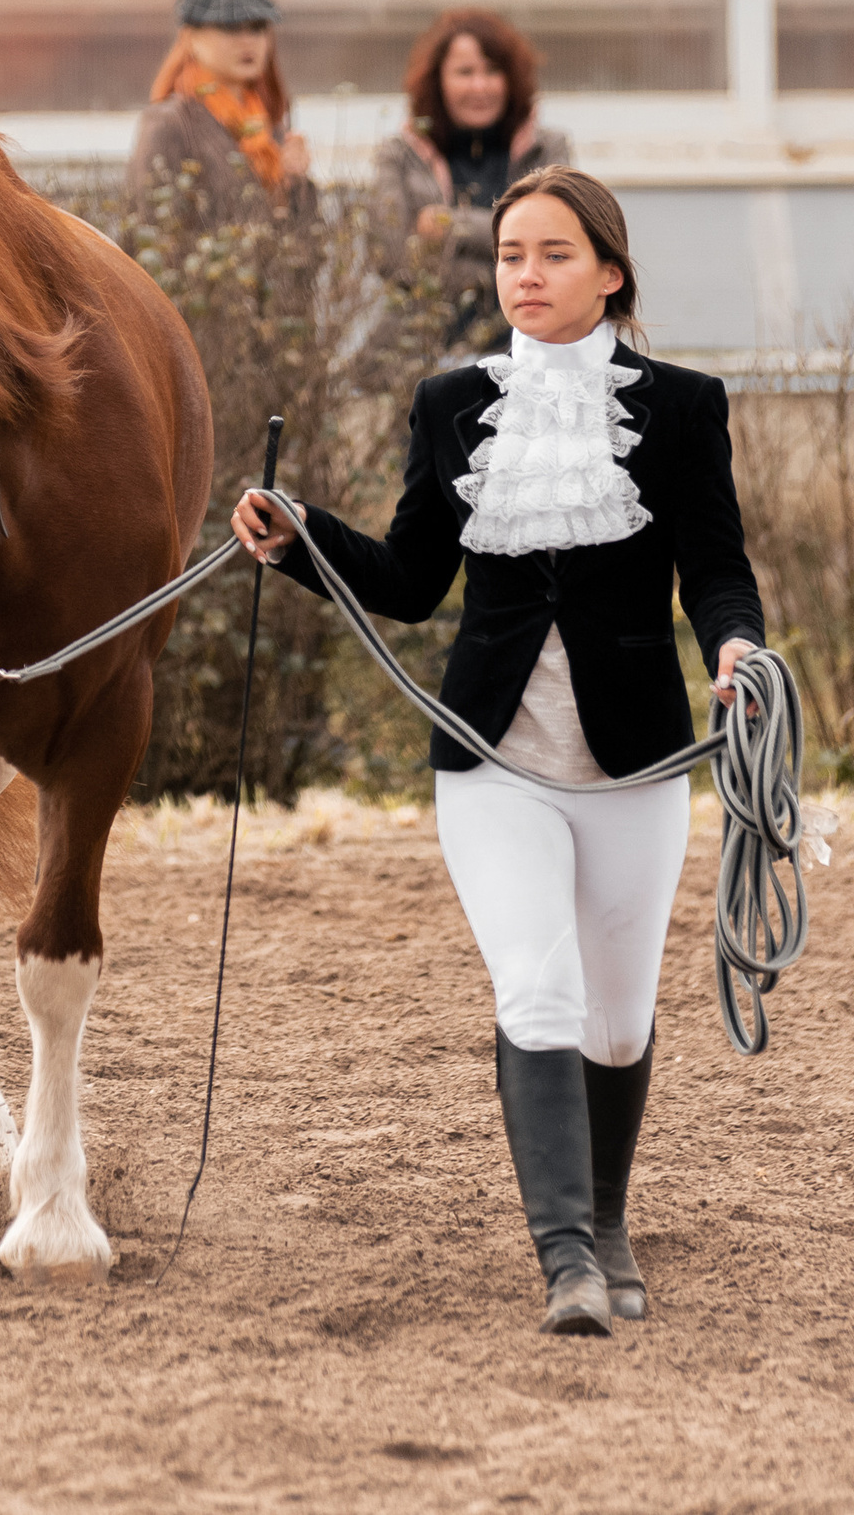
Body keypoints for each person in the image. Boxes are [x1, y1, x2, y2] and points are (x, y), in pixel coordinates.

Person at [229, 166, 765, 1337]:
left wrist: (733, 648)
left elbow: (716, 570)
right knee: (538, 984)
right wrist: (300, 535)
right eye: (511, 252)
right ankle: (567, 1257)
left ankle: (610, 1222)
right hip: (491, 756)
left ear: (611, 273)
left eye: (554, 253)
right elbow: (413, 582)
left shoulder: (683, 405)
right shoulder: (449, 401)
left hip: (634, 760)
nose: (525, 272)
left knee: (617, 1020)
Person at [371, 10, 574, 350]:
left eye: (492, 71)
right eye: (465, 72)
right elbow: (391, 259)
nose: (479, 86)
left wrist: (452, 225)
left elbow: (559, 244)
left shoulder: (547, 149)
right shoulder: (399, 154)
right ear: (437, 80)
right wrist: (508, 252)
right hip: (419, 351)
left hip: (528, 345)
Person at [128, 0, 313, 215]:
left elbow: (300, 235)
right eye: (230, 27)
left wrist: (294, 181)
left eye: (257, 28)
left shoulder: (269, 120)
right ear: (191, 38)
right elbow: (155, 229)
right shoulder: (170, 122)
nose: (247, 41)